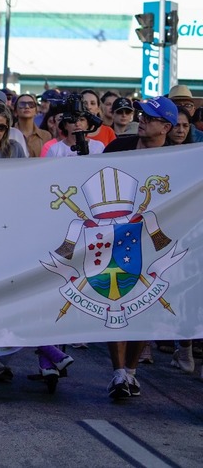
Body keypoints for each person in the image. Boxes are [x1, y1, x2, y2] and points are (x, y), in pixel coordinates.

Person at [101, 96, 176, 399]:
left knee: (144, 307)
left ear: (166, 127)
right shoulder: (119, 147)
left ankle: (131, 372)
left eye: (149, 116)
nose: (141, 118)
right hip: (115, 237)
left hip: (157, 243)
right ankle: (118, 373)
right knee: (113, 302)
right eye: (142, 114)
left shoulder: (179, 156)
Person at [14, 93, 51, 157]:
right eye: (22, 104)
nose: (27, 107)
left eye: (31, 104)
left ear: (36, 111)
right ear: (15, 111)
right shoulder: (8, 134)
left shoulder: (46, 136)